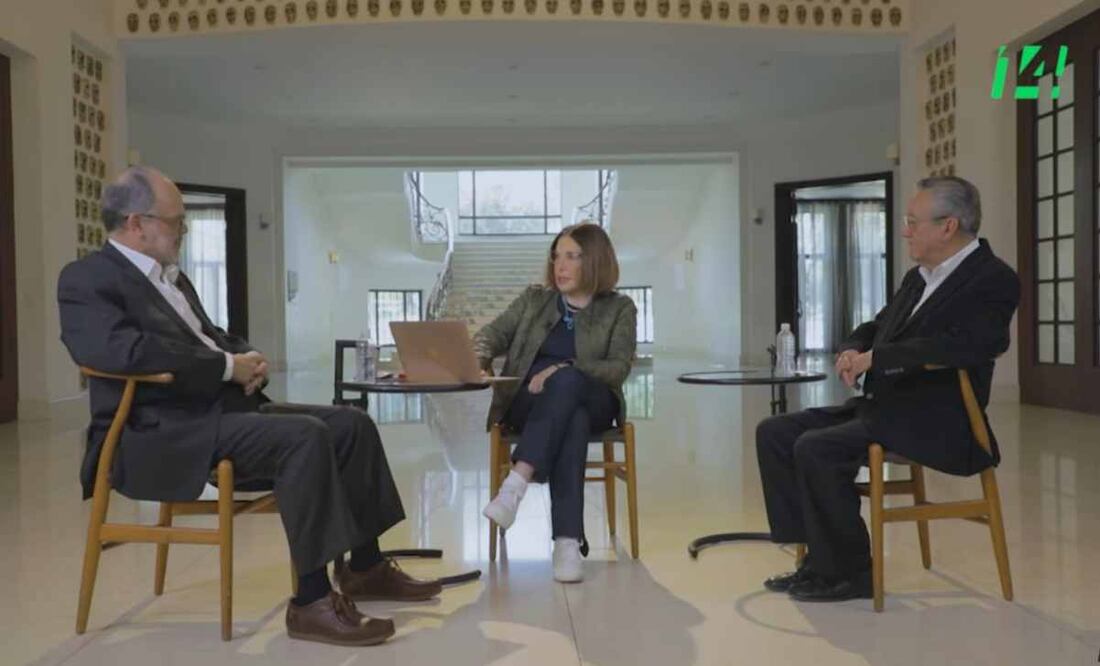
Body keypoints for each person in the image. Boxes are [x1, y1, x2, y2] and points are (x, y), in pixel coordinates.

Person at [57, 166, 441, 647]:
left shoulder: (172, 280)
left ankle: (365, 568)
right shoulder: (86, 279)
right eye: (177, 222)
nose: (183, 231)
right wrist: (223, 367)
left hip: (222, 412)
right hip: (160, 429)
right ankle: (311, 601)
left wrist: (244, 357)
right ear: (137, 224)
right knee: (305, 436)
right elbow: (119, 353)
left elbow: (209, 336)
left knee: (351, 424)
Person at [755, 176, 1020, 602]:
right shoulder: (920, 277)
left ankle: (849, 574)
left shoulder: (992, 278)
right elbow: (880, 325)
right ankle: (817, 562)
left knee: (816, 447)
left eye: (914, 222)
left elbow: (973, 344)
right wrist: (853, 348)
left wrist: (881, 358)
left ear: (948, 227)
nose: (905, 230)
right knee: (775, 432)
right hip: (887, 409)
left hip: (938, 419)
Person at [475, 223, 637, 583]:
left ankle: (516, 484)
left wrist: (564, 368)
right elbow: (492, 333)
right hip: (528, 402)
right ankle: (567, 541)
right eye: (556, 256)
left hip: (595, 398)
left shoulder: (619, 308)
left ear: (594, 261)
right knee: (571, 419)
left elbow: (618, 368)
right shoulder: (535, 300)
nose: (559, 266)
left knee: (567, 385)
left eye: (572, 257)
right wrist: (480, 357)